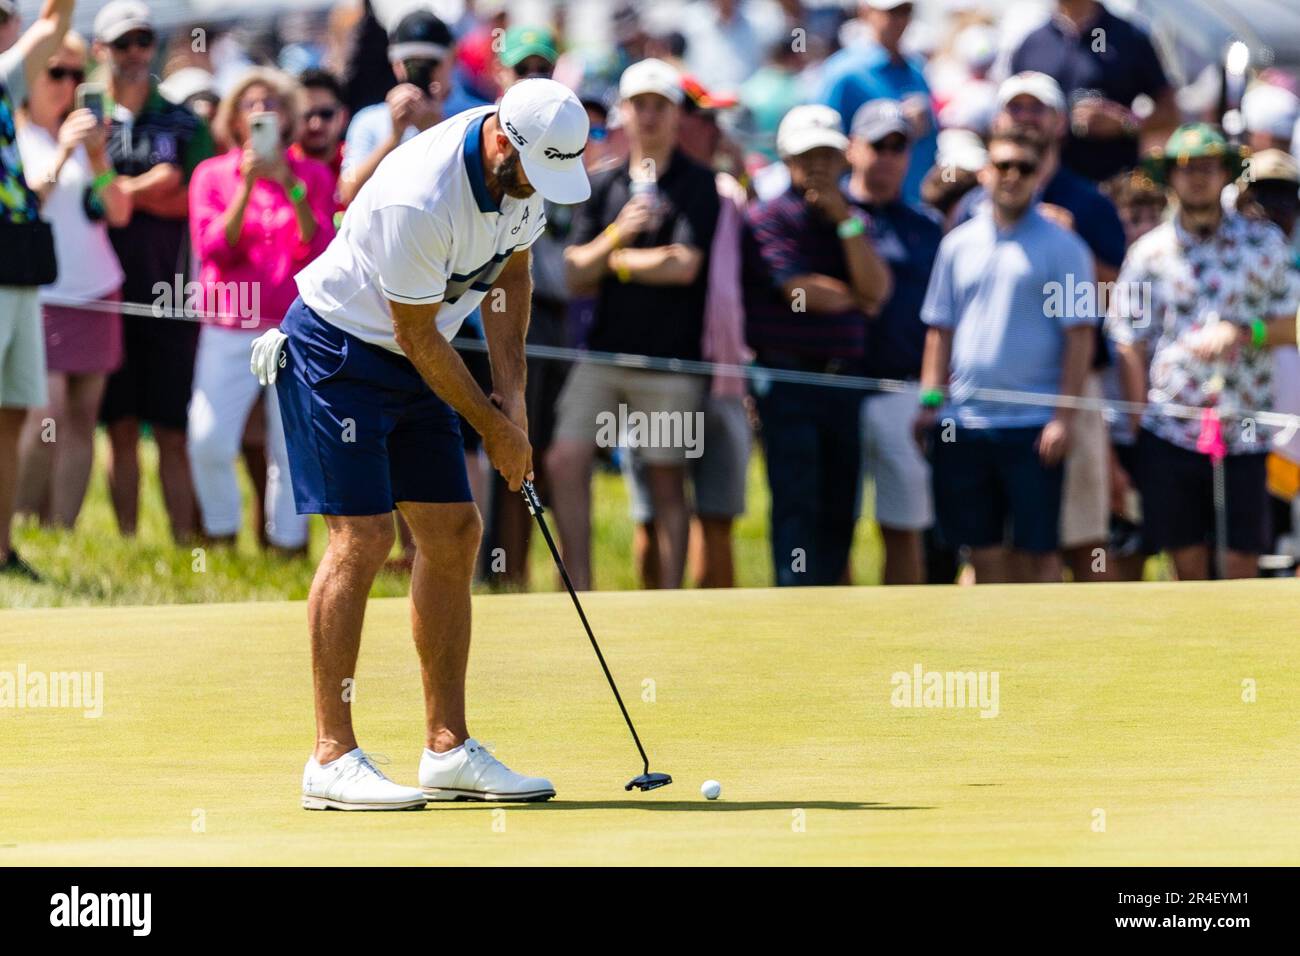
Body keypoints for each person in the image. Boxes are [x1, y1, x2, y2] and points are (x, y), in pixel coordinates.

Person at [262, 79, 590, 809]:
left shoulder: (527, 168)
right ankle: (330, 758)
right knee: (364, 537)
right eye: (538, 172)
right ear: (504, 142)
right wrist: (494, 431)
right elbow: (412, 334)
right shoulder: (423, 191)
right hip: (340, 352)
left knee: (452, 531)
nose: (543, 188)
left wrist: (516, 402)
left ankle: (448, 748)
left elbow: (512, 277)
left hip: (420, 352)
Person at [551, 58, 720, 591]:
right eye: (639, 105)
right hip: (604, 357)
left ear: (676, 115)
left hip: (671, 363)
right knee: (563, 459)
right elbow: (574, 273)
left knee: (667, 482)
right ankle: (578, 586)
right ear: (623, 113)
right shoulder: (600, 184)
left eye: (660, 106)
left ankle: (668, 599)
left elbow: (685, 266)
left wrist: (613, 263)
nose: (648, 116)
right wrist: (620, 236)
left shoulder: (700, 184)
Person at [1109, 125, 1300, 580]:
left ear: (1225, 174)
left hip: (1246, 428)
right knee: (1186, 562)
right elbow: (1128, 340)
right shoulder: (1148, 253)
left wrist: (1245, 331)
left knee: (1240, 560)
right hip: (1170, 429)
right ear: (1171, 177)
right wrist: (1138, 423)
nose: (1197, 178)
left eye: (1208, 167)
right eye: (1186, 168)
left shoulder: (1264, 242)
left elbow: (1292, 323)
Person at [916, 131, 1096, 584]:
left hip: (1034, 426)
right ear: (985, 172)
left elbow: (1080, 337)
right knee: (982, 549)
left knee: (1040, 552)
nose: (1012, 176)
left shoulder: (1064, 247)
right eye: (1003, 165)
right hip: (968, 421)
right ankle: (993, 650)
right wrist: (930, 403)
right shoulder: (957, 244)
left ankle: (1045, 651)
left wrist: (1063, 417)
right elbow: (940, 329)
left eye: (1025, 168)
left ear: (1039, 176)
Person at [742, 105, 891, 586]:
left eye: (829, 155)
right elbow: (800, 292)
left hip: (844, 383)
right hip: (788, 382)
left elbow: (878, 290)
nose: (820, 167)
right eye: (809, 157)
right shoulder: (767, 217)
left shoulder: (854, 219)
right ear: (787, 160)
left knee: (841, 506)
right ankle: (796, 603)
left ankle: (832, 611)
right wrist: (857, 297)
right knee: (796, 501)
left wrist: (846, 222)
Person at [186, 68, 334, 552]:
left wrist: (288, 184)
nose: (260, 111)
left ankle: (287, 546)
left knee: (291, 447)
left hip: (293, 329)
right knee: (207, 437)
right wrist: (247, 186)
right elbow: (214, 248)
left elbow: (319, 249)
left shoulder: (311, 174)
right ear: (233, 116)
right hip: (229, 326)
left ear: (288, 116)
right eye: (249, 102)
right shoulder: (212, 175)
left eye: (271, 102)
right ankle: (220, 535)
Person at [94, 0, 215, 541]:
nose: (137, 53)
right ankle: (126, 543)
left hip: (170, 295)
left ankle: (184, 543)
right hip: (100, 295)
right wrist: (153, 186)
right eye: (124, 43)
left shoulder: (184, 119)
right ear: (102, 50)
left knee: (172, 428)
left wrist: (122, 194)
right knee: (117, 427)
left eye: (144, 40)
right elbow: (84, 204)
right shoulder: (84, 116)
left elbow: (198, 198)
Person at [14, 29, 128, 530]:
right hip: (42, 292)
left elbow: (119, 211)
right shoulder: (16, 135)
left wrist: (98, 158)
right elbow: (28, 204)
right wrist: (63, 153)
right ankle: (16, 526)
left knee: (83, 417)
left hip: (99, 288)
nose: (66, 85)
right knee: (46, 417)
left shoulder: (92, 138)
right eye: (55, 72)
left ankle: (62, 530)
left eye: (76, 75)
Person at [845, 100, 942, 585]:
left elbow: (941, 323)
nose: (886, 156)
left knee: (904, 527)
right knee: (833, 528)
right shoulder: (827, 214)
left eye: (897, 146)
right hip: (835, 389)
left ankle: (904, 642)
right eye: (876, 145)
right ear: (852, 148)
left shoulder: (927, 228)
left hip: (902, 393)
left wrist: (931, 395)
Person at [0, 0, 75, 579]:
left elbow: (55, 23)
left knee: (14, 413)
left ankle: (1, 551)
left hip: (18, 268)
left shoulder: (3, 76)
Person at [1008, 0, 1177, 183]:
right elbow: (1007, 115)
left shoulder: (1129, 37)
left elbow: (1170, 110)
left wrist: (1125, 123)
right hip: (1044, 186)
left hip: (1114, 184)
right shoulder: (1032, 44)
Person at [338, 9, 487, 206]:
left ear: (453, 57)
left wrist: (438, 130)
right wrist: (393, 139)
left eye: (431, 63)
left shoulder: (480, 115)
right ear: (394, 63)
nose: (420, 73)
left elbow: (487, 190)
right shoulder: (368, 120)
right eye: (410, 63)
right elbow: (348, 192)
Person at [817, 1, 937, 205]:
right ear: (866, 13)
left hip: (912, 204)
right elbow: (823, 143)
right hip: (861, 208)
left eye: (905, 11)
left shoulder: (917, 69)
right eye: (891, 12)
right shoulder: (842, 73)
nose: (899, 20)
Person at [291, 67, 348, 215]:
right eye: (306, 114)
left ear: (343, 117)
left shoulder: (357, 160)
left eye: (326, 114)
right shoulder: (282, 165)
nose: (316, 124)